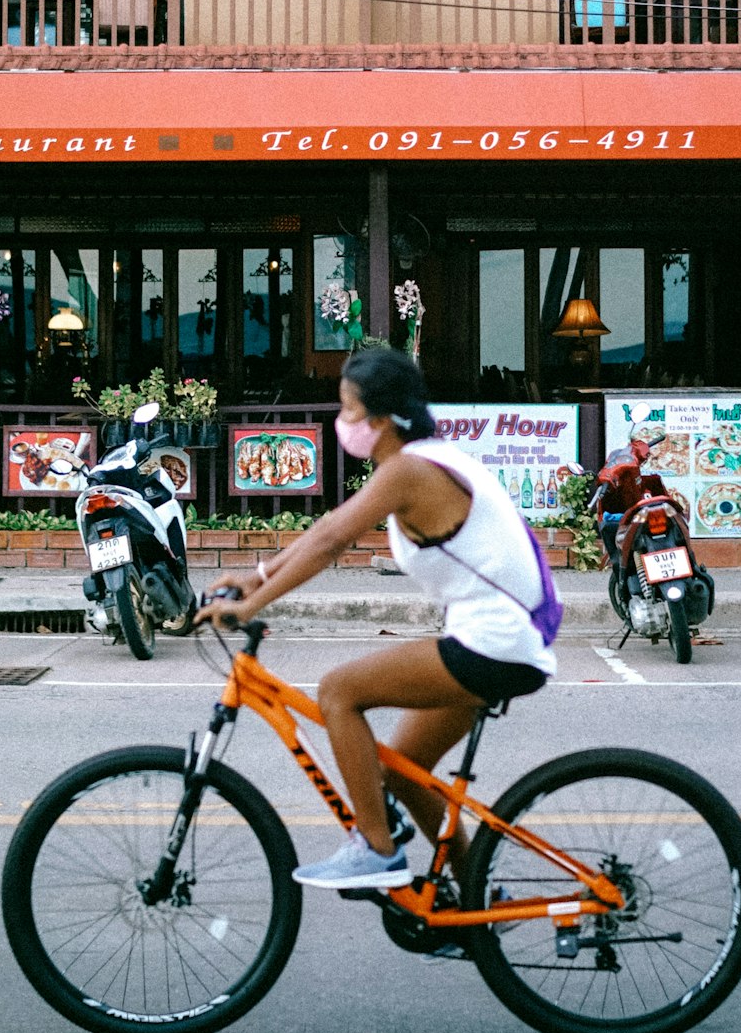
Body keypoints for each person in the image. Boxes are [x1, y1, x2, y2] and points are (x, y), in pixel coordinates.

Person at [196, 347, 561, 893]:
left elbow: (331, 539)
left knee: (339, 691)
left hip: (495, 642)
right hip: (497, 639)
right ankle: (472, 896)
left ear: (382, 419)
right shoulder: (425, 460)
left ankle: (377, 847)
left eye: (347, 409)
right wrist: (258, 576)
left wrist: (252, 605)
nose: (340, 423)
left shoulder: (410, 470)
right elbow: (333, 526)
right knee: (403, 770)